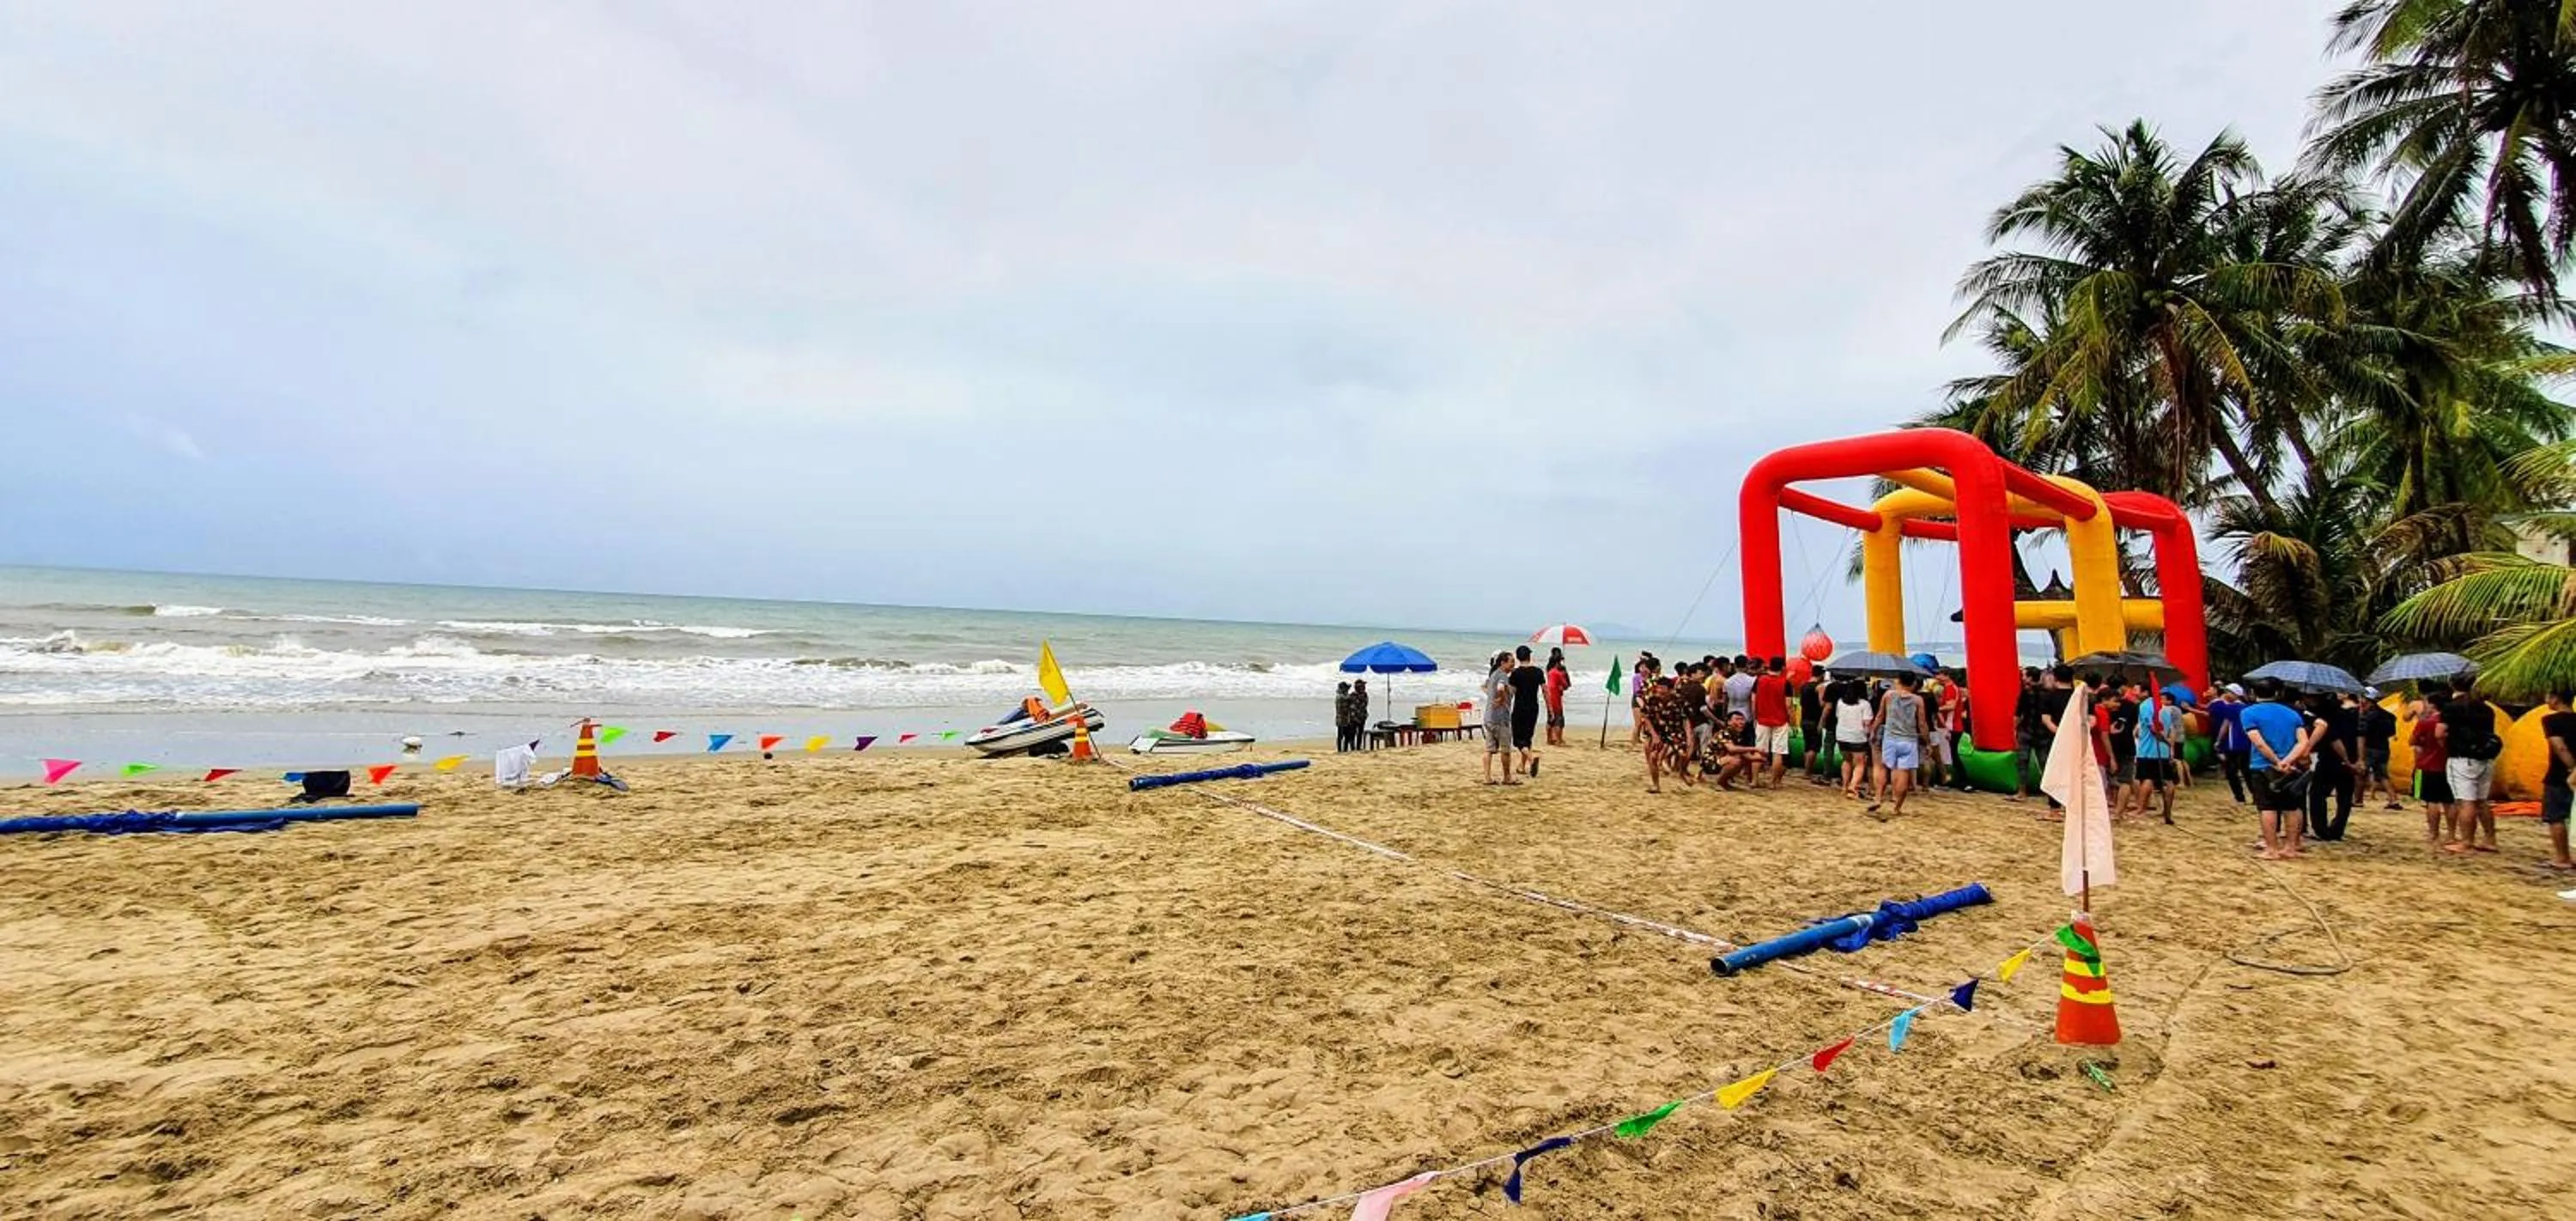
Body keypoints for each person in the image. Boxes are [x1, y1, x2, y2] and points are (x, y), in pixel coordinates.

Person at [2241, 677, 2313, 860]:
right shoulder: (2292, 714)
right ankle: (2291, 847)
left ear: (2253, 693)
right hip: (2292, 767)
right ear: (2278, 693)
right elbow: (2303, 742)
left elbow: (2259, 742)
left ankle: (2272, 848)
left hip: (2262, 766)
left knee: (2267, 807)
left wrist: (2276, 761)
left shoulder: (2248, 713)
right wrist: (2288, 761)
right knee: (2292, 807)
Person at [2440, 673, 2500, 854]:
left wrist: (2447, 747)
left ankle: (2467, 841)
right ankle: (2490, 839)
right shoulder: (2486, 709)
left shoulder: (2452, 708)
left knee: (2465, 802)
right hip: (2485, 758)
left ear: (2452, 684)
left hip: (2461, 758)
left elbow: (2440, 733)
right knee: (2482, 801)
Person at [1869, 671, 1928, 816]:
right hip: (1909, 740)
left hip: (1890, 739)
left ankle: (1878, 797)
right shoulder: (1918, 700)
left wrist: (1873, 732)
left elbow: (1880, 716)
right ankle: (1897, 807)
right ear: (1914, 683)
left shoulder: (1888, 695)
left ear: (1898, 681)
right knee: (1902, 773)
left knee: (1884, 767)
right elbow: (1922, 723)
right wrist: (1927, 742)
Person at [2306, 690, 2360, 842]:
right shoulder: (2351, 716)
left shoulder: (2326, 719)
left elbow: (2334, 741)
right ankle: (2338, 829)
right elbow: (2360, 736)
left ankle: (2321, 830)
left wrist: (2346, 760)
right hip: (2351, 759)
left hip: (2331, 760)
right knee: (2345, 797)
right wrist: (2357, 760)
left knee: (2317, 794)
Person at [2130, 689, 2183, 824]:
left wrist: (2163, 740)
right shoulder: (2165, 708)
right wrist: (2170, 747)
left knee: (2147, 779)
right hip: (2163, 751)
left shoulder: (2146, 706)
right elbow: (2172, 731)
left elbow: (2153, 727)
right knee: (2168, 781)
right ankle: (2167, 812)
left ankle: (2141, 809)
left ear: (2145, 691)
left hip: (2149, 749)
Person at [2411, 689, 2453, 849]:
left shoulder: (2426, 722)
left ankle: (2434, 833)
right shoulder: (2450, 722)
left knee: (2431, 801)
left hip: (2427, 765)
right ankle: (2451, 834)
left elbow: (2412, 741)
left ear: (2433, 705)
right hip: (2448, 765)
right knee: (2449, 802)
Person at [1637, 672, 1691, 793]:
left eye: (1663, 688)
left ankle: (1682, 773)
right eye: (1658, 688)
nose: (1660, 690)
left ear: (1670, 690)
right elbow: (1646, 717)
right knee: (1653, 757)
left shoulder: (1679, 700)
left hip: (1674, 730)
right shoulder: (1652, 700)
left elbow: (1685, 719)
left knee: (1683, 754)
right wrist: (1654, 735)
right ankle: (1656, 785)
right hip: (1658, 731)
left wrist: (1688, 735)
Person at [2540, 690, 2574, 872]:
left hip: (2559, 775)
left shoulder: (2551, 721)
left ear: (2555, 698)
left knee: (2556, 816)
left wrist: (2572, 768)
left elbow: (2559, 747)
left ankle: (2563, 857)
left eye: (2548, 696)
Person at [1752, 655, 1795, 787]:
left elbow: (1753, 700)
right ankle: (1774, 782)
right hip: (1780, 720)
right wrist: (1792, 721)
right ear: (1782, 668)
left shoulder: (1759, 680)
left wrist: (1755, 716)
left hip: (1762, 719)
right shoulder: (1785, 683)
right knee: (1778, 751)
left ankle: (1754, 780)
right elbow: (1788, 705)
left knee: (1759, 750)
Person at [1508, 645, 1546, 778]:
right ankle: (1522, 767)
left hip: (1519, 709)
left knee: (1518, 740)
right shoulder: (1538, 672)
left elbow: (1511, 693)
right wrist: (1550, 708)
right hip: (1533, 708)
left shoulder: (1516, 673)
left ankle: (1531, 759)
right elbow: (1545, 691)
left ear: (1518, 658)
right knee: (1527, 738)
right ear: (1530, 656)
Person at [2360, 688, 2402, 811]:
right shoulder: (2389, 716)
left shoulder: (2368, 716)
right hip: (2383, 749)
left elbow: (2362, 733)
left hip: (2370, 748)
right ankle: (2394, 800)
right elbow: (2391, 733)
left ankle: (2357, 800)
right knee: (2383, 775)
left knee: (2361, 774)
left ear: (2368, 700)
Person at [2209, 683, 2251, 805]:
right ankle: (2255, 795)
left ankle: (2240, 798)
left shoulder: (2231, 708)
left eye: (2228, 692)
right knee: (2246, 771)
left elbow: (2225, 726)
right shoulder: (2247, 707)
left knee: (2232, 772)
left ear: (2235, 694)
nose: (2226, 694)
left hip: (2233, 744)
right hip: (2246, 744)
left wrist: (2218, 741)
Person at [1833, 675, 1872, 799]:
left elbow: (1838, 717)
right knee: (1860, 764)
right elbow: (1867, 722)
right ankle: (1853, 786)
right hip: (1857, 737)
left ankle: (1844, 787)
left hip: (1841, 735)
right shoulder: (1865, 704)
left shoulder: (1840, 702)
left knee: (1846, 761)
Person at [1482, 652, 1516, 785]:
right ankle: (1507, 777)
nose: (1513, 664)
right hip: (1500, 719)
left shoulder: (1493, 675)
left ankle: (1487, 777)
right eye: (1511, 661)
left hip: (1489, 717)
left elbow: (1485, 687)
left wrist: (1492, 697)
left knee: (1489, 749)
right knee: (1505, 749)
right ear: (1503, 663)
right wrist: (1502, 698)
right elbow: (1501, 687)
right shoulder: (1502, 675)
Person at [1707, 710, 1765, 788]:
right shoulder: (1725, 733)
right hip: (1710, 761)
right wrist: (1755, 748)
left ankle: (1749, 780)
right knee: (1736, 761)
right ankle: (1720, 781)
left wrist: (1757, 758)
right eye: (1737, 719)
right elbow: (1732, 749)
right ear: (1729, 722)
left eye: (1742, 719)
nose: (1741, 722)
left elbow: (1742, 752)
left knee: (1745, 757)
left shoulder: (1738, 735)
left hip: (1722, 760)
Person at [1677, 664, 1712, 768]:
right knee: (1703, 747)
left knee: (1689, 746)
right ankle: (1703, 768)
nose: (1703, 675)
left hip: (1686, 721)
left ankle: (1680, 767)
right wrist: (1717, 720)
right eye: (1700, 673)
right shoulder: (1700, 689)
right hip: (1700, 722)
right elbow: (1703, 709)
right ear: (1692, 674)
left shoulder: (1683, 687)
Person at [1797, 666, 1827, 784]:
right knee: (1814, 747)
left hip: (1805, 718)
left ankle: (1806, 770)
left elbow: (1801, 702)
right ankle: (1808, 772)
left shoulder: (1804, 686)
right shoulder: (1819, 687)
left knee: (1807, 745)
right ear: (1822, 675)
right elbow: (1822, 704)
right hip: (1815, 720)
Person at [1542, 648, 1571, 747]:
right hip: (1556, 696)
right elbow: (1566, 685)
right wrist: (1564, 676)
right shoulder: (1559, 672)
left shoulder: (1549, 670)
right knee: (1559, 719)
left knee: (1550, 717)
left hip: (1549, 696)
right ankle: (1559, 740)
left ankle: (1549, 739)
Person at [1723, 658, 1758, 728]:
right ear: (1747, 665)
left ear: (1735, 665)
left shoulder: (1727, 681)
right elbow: (1754, 700)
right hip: (1747, 714)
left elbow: (1725, 701)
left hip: (1731, 714)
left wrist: (1724, 715)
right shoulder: (1752, 680)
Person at [1334, 681, 1357, 752]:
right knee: (1343, 736)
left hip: (1342, 719)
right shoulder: (1341, 697)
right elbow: (1345, 708)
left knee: (1344, 736)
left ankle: (1342, 750)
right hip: (1343, 719)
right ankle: (1342, 750)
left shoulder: (1341, 696)